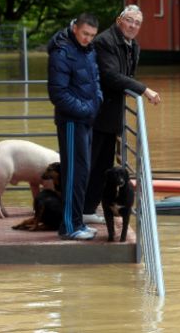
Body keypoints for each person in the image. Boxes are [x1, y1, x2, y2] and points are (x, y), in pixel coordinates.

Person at [82, 5, 161, 224]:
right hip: (95, 113)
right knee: (88, 164)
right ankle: (76, 209)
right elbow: (110, 76)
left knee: (104, 166)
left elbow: (125, 75)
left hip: (111, 116)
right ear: (119, 20)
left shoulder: (133, 46)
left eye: (138, 23)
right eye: (130, 21)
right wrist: (144, 90)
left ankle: (88, 209)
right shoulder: (104, 41)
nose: (133, 26)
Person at [47, 13, 103, 240]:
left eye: (92, 35)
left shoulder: (87, 49)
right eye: (85, 34)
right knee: (73, 174)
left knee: (82, 173)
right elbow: (58, 94)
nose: (88, 39)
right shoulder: (62, 52)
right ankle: (69, 226)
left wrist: (96, 102)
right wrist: (86, 109)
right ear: (75, 29)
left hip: (86, 120)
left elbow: (96, 80)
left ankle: (77, 222)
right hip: (71, 122)